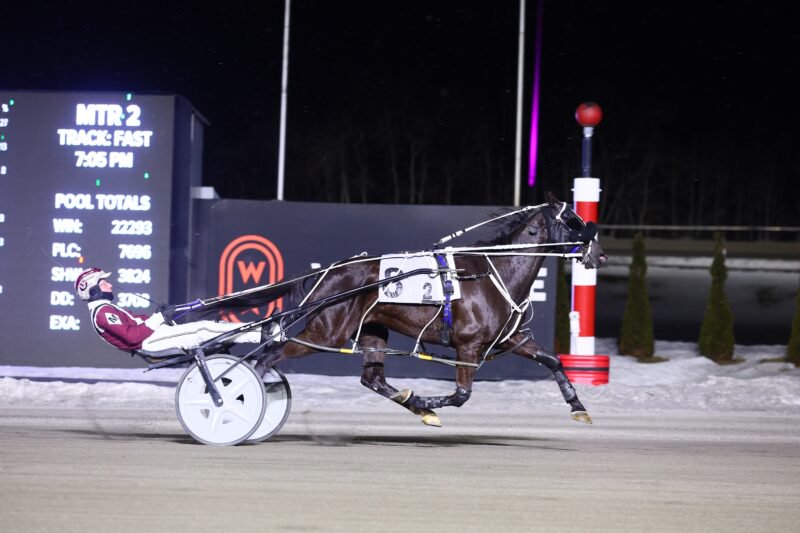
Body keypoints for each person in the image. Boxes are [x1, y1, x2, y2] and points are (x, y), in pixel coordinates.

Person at [74, 267, 278, 353]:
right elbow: (132, 336)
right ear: (93, 290)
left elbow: (138, 322)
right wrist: (158, 319)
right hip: (148, 343)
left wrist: (161, 317)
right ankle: (265, 333)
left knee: (212, 324)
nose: (110, 284)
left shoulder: (106, 309)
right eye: (104, 282)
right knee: (204, 330)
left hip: (152, 336)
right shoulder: (102, 313)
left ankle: (261, 330)